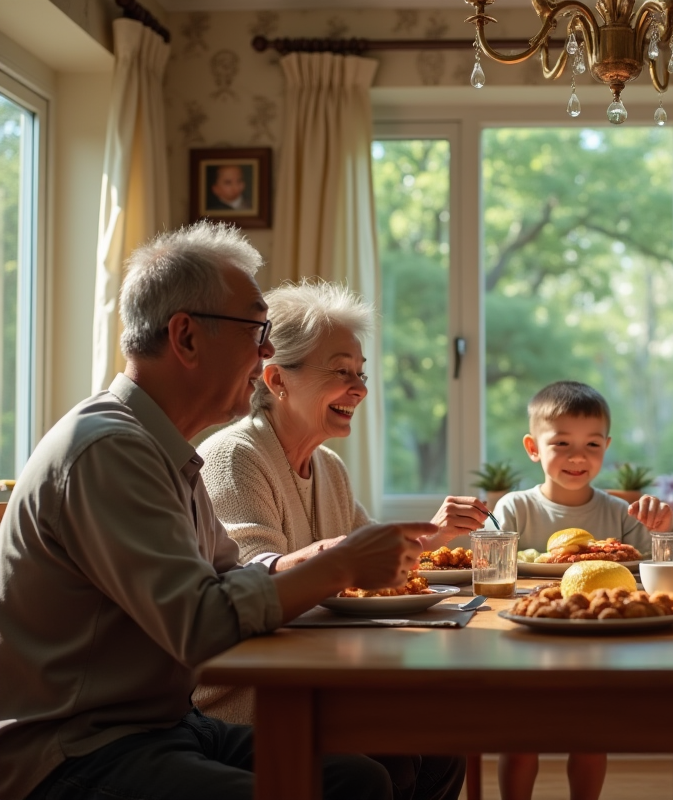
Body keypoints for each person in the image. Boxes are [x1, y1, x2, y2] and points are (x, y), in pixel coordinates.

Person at [0, 221, 454, 800]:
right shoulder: (110, 450)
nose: (267, 350)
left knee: (361, 776)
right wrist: (338, 565)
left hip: (161, 726)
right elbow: (200, 625)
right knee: (354, 785)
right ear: (186, 337)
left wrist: (314, 561)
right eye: (256, 330)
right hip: (75, 749)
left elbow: (226, 575)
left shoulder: (162, 449)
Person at [191, 279, 474, 793]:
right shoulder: (234, 456)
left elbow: (376, 556)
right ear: (276, 379)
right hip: (257, 691)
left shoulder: (329, 466)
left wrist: (433, 534)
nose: (360, 388)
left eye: (361, 374)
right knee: (395, 765)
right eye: (341, 372)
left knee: (444, 748)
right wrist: (349, 557)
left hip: (328, 672)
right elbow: (258, 581)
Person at [491, 379, 673, 800]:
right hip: (528, 636)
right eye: (561, 443)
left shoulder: (620, 513)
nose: (578, 456)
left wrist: (666, 526)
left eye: (593, 445)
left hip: (599, 639)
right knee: (521, 741)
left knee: (591, 739)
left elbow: (665, 568)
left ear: (607, 447)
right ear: (533, 447)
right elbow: (493, 570)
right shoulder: (514, 507)